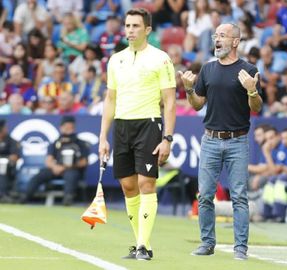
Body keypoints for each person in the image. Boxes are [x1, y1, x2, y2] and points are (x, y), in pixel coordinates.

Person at [179, 22, 262, 260]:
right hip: (211, 140)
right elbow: (197, 104)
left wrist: (252, 91)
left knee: (239, 196)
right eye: (216, 35)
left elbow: (256, 108)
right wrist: (188, 89)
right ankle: (207, 243)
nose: (217, 39)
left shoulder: (248, 69)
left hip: (237, 141)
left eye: (222, 35)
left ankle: (240, 248)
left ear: (235, 41)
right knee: (204, 194)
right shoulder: (207, 69)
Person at [98, 8, 176, 261]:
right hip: (121, 126)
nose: (130, 30)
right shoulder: (115, 60)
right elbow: (110, 99)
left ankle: (142, 245)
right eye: (128, 25)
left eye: (135, 26)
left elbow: (170, 102)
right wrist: (103, 137)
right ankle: (142, 244)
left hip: (148, 124)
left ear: (148, 30)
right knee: (128, 186)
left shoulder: (161, 59)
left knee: (146, 184)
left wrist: (168, 138)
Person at [18, 116, 89, 206]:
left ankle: (68, 199)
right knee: (41, 174)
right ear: (61, 128)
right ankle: (25, 196)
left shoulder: (80, 143)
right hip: (56, 168)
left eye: (71, 128)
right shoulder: (56, 143)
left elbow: (84, 162)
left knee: (71, 175)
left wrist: (66, 167)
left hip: (72, 168)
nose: (68, 130)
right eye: (66, 128)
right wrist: (55, 167)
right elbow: (48, 160)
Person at [0, 119, 20, 203]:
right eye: (5, 127)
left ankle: (3, 194)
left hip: (6, 167)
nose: (6, 129)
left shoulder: (11, 140)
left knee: (2, 169)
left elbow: (14, 157)